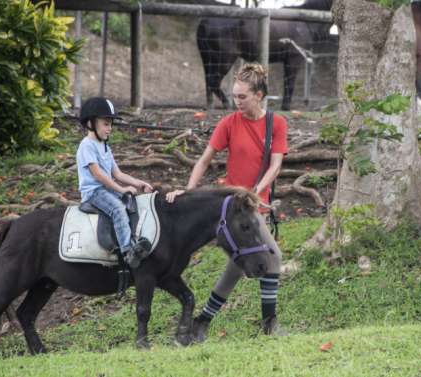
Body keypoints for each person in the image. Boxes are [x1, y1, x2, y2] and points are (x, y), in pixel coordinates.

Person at [166, 63, 288, 340]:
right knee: (274, 257)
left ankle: (202, 322)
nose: (237, 102)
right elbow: (205, 159)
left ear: (259, 95)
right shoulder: (229, 123)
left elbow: (276, 165)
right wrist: (188, 191)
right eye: (234, 96)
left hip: (257, 203)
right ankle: (269, 324)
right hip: (235, 208)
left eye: (242, 96)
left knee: (236, 268)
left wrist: (258, 190)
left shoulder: (276, 124)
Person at [76, 97, 153, 268]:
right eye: (105, 124)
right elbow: (98, 175)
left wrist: (139, 183)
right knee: (118, 208)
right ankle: (128, 251)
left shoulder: (105, 147)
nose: (109, 128)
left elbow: (117, 173)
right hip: (94, 193)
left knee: (132, 201)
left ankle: (135, 237)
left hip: (107, 189)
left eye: (111, 124)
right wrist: (121, 188)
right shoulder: (86, 146)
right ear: (90, 123)